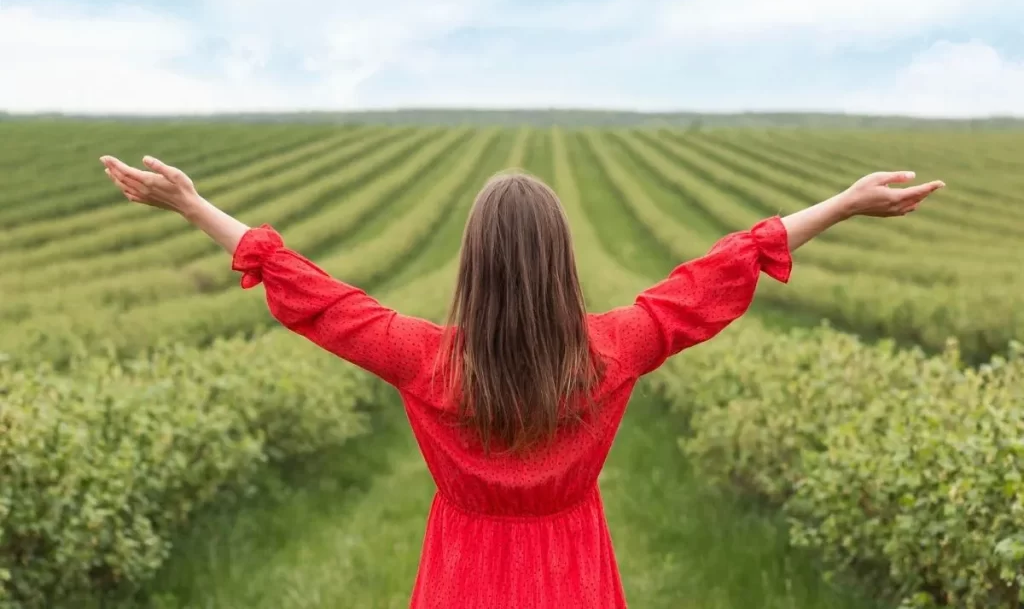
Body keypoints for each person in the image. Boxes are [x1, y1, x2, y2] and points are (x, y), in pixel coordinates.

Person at [100, 152, 943, 608]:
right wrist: (838, 203)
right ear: (560, 264)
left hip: (461, 573)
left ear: (473, 266)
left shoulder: (420, 355)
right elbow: (723, 268)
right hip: (574, 572)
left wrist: (193, 206)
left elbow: (309, 291)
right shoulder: (616, 348)